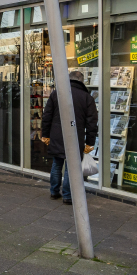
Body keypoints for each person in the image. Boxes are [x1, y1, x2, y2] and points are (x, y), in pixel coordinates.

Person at [40, 70, 99, 204]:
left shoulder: (57, 94)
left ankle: (54, 192)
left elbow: (47, 116)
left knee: (56, 163)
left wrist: (45, 134)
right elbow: (91, 123)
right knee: (70, 167)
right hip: (75, 136)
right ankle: (67, 196)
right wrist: (90, 143)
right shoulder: (86, 97)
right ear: (82, 81)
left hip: (56, 135)